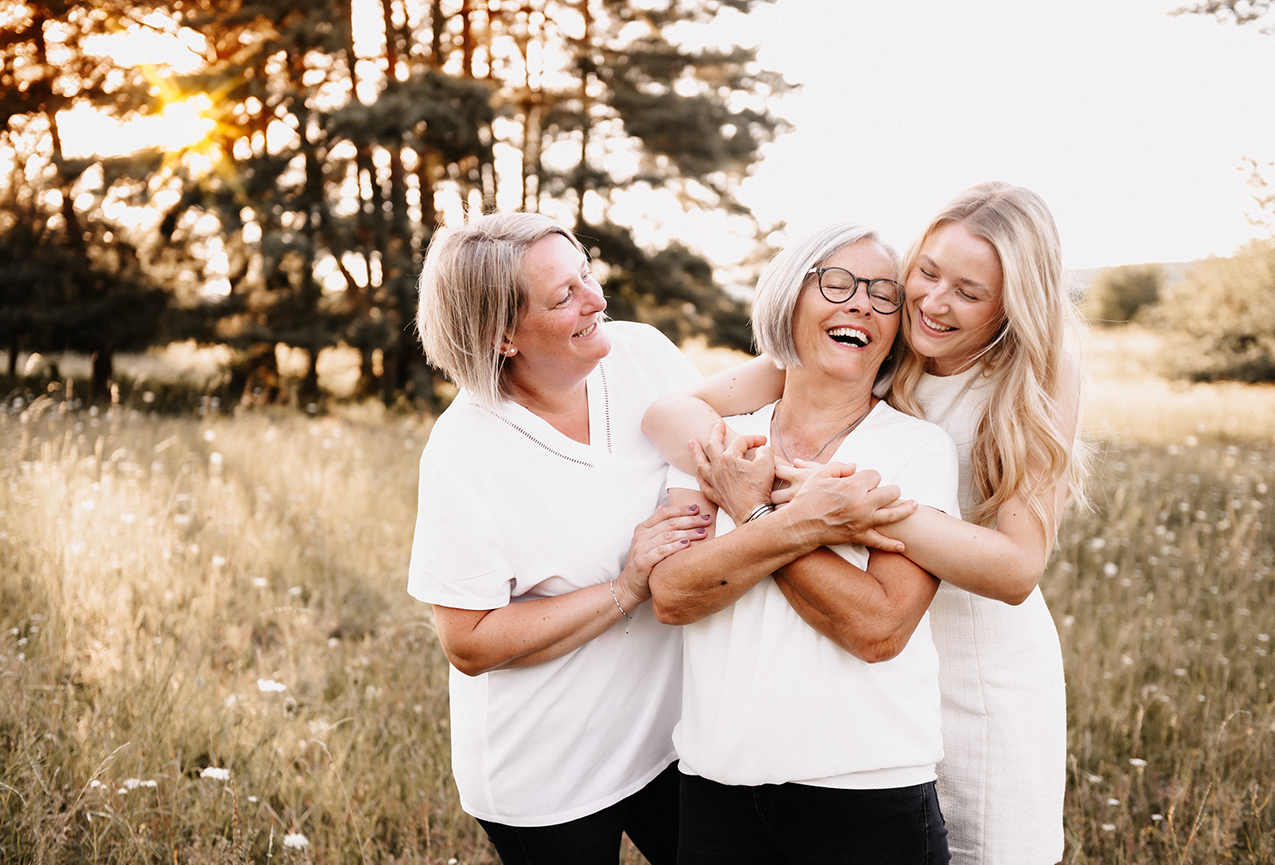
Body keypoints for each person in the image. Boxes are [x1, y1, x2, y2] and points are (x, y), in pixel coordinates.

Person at [644, 182, 1087, 865]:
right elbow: (671, 414)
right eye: (926, 273)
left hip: (978, 664)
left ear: (1011, 304)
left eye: (969, 293)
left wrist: (846, 505)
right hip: (866, 670)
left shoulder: (1033, 376)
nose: (934, 302)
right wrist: (758, 480)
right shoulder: (878, 339)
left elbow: (1016, 569)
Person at [647, 223, 961, 864]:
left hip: (867, 797)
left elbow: (878, 628)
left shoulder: (916, 449)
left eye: (883, 293)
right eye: (838, 283)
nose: (862, 303)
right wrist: (798, 523)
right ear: (789, 298)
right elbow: (674, 595)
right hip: (717, 792)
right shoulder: (721, 442)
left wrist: (751, 510)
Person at [408, 212, 711, 865]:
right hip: (547, 771)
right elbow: (469, 641)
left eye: (586, 274)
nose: (595, 299)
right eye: (563, 296)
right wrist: (627, 586)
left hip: (668, 737)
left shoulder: (642, 355)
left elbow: (716, 438)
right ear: (502, 335)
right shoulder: (465, 449)